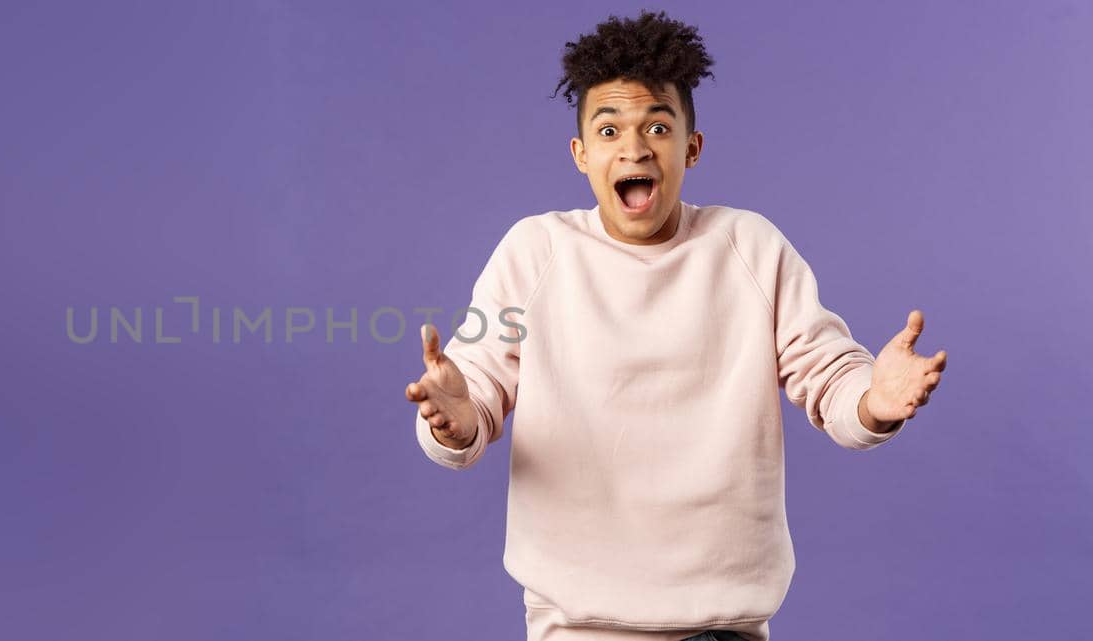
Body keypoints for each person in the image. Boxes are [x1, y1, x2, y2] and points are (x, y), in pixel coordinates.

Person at [403, 11, 948, 641]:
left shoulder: (749, 247)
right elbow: (475, 399)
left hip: (725, 629)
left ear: (691, 147)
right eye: (609, 130)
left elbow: (830, 378)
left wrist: (874, 402)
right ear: (582, 155)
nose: (634, 148)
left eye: (656, 127)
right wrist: (452, 416)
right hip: (576, 627)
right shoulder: (534, 252)